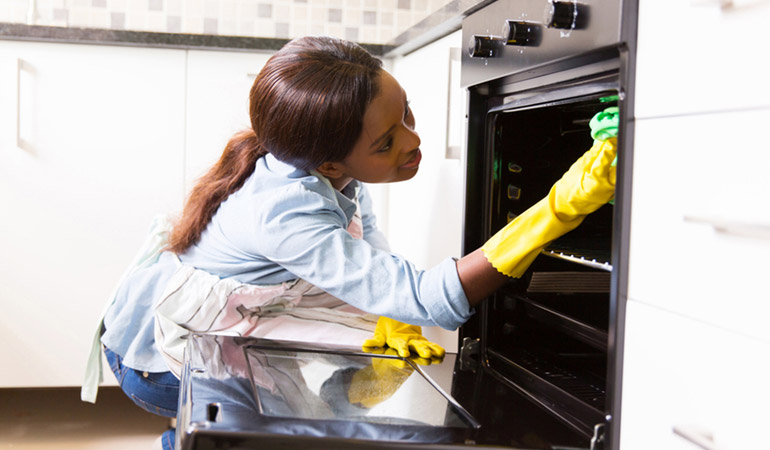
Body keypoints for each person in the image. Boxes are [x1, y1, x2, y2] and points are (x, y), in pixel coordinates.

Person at [81, 36, 617, 450]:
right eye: (387, 143)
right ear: (330, 162)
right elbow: (430, 298)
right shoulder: (283, 209)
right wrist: (558, 208)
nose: (413, 141)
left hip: (231, 318)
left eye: (406, 112)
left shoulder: (325, 164)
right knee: (247, 435)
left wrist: (389, 306)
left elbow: (370, 243)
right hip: (158, 359)